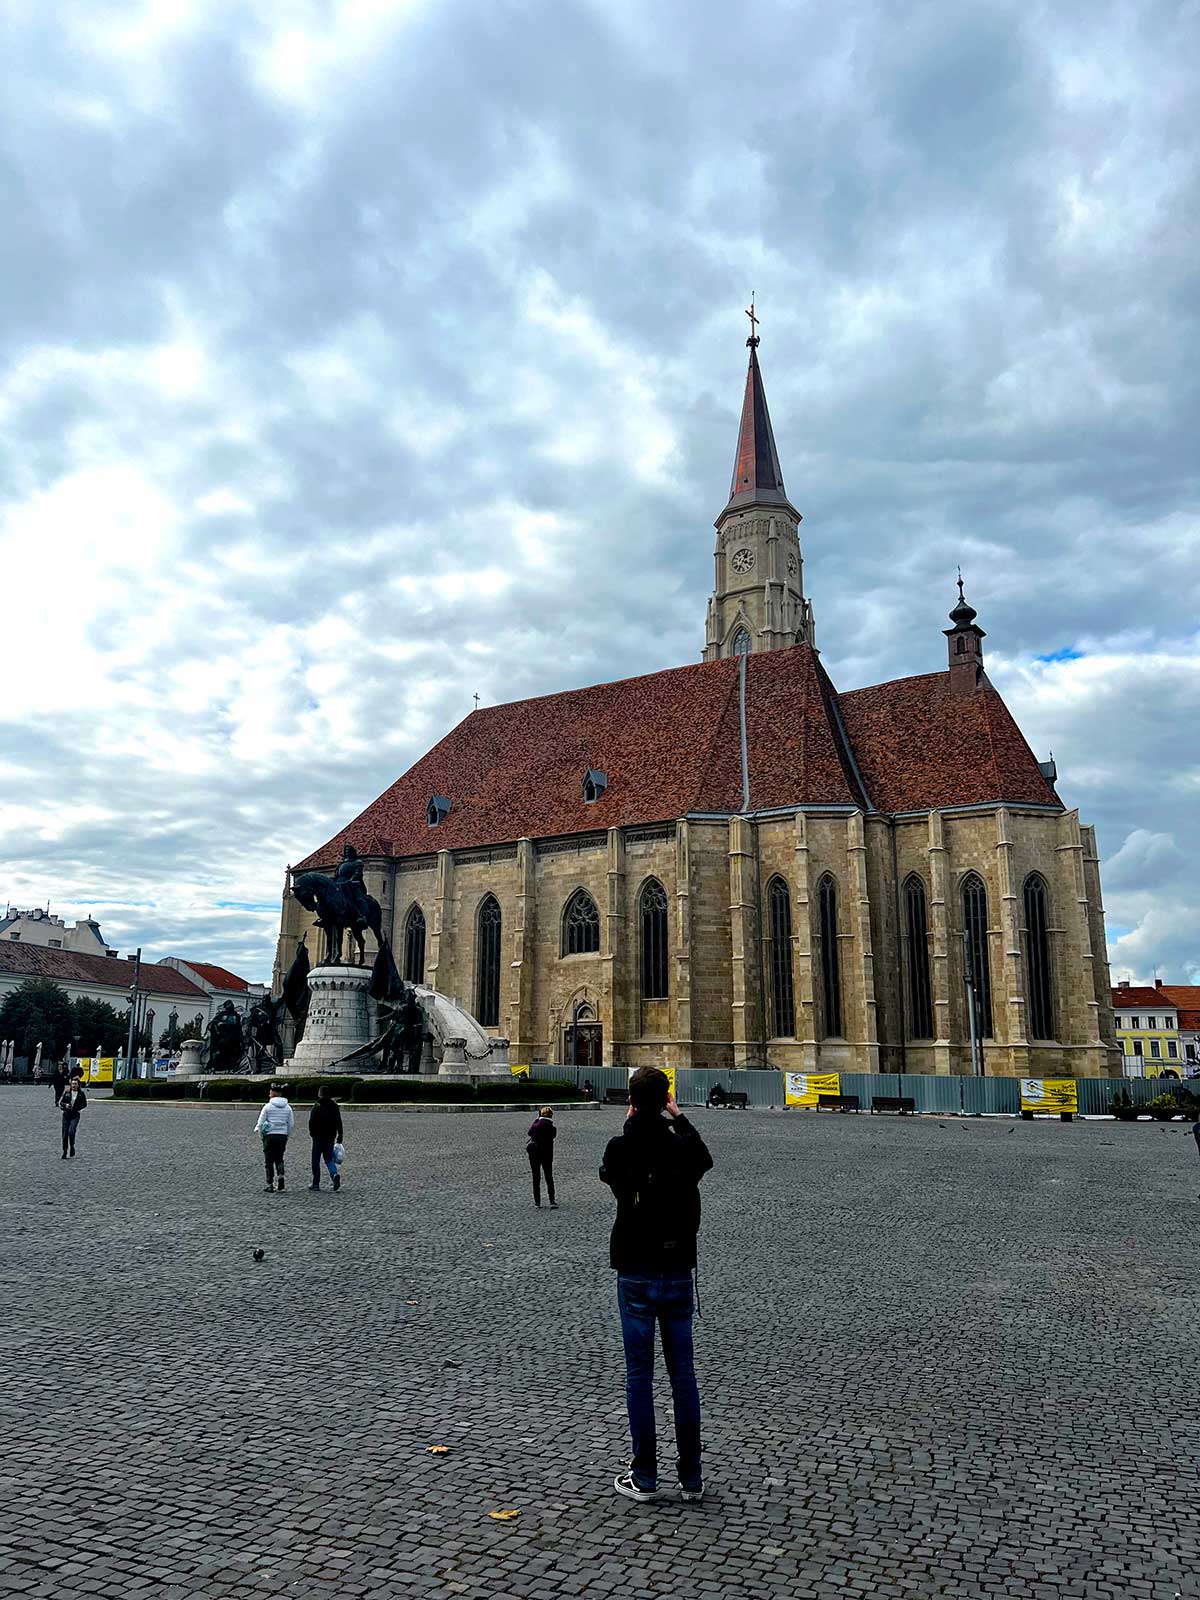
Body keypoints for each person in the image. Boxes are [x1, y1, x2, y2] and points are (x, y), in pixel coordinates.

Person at [600, 1066, 713, 1504]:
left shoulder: (620, 1146)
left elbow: (613, 1171)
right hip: (678, 1270)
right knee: (683, 1376)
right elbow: (703, 1157)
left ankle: (644, 1476)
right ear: (666, 1099)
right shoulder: (682, 1148)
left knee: (638, 1377)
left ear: (631, 1101)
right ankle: (691, 1478)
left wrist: (634, 1121)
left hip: (634, 1271)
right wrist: (678, 1117)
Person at [254, 1083, 295, 1193]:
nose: (269, 1094)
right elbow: (291, 1124)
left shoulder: (267, 1107)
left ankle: (270, 1184)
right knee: (279, 1158)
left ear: (274, 1094)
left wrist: (261, 1135)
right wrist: (287, 1135)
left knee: (268, 1161)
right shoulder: (288, 1108)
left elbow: (261, 1123)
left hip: (270, 1136)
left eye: (270, 1092)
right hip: (282, 1135)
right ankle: (281, 1176)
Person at [309, 1085, 344, 1192]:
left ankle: (316, 1183)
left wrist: (312, 1134)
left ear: (319, 1094)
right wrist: (340, 1136)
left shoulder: (317, 1105)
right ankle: (334, 1174)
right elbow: (339, 1121)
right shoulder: (334, 1106)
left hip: (318, 1137)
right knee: (329, 1158)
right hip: (330, 1136)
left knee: (315, 1160)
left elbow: (311, 1122)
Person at [526, 1106, 557, 1208]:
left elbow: (530, 1133)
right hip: (547, 1154)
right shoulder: (551, 1127)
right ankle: (552, 1200)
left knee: (536, 1177)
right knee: (549, 1176)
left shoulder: (537, 1124)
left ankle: (537, 1202)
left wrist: (536, 1120)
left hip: (535, 1153)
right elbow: (553, 1135)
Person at [59, 1074, 87, 1159]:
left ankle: (72, 1145)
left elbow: (84, 1104)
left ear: (78, 1085)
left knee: (71, 1132)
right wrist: (66, 1105)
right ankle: (64, 1151)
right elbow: (61, 1103)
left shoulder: (81, 1094)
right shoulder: (67, 1093)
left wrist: (77, 1108)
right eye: (72, 1084)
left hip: (75, 1115)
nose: (74, 1085)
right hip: (66, 1115)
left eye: (75, 1084)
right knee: (65, 1133)